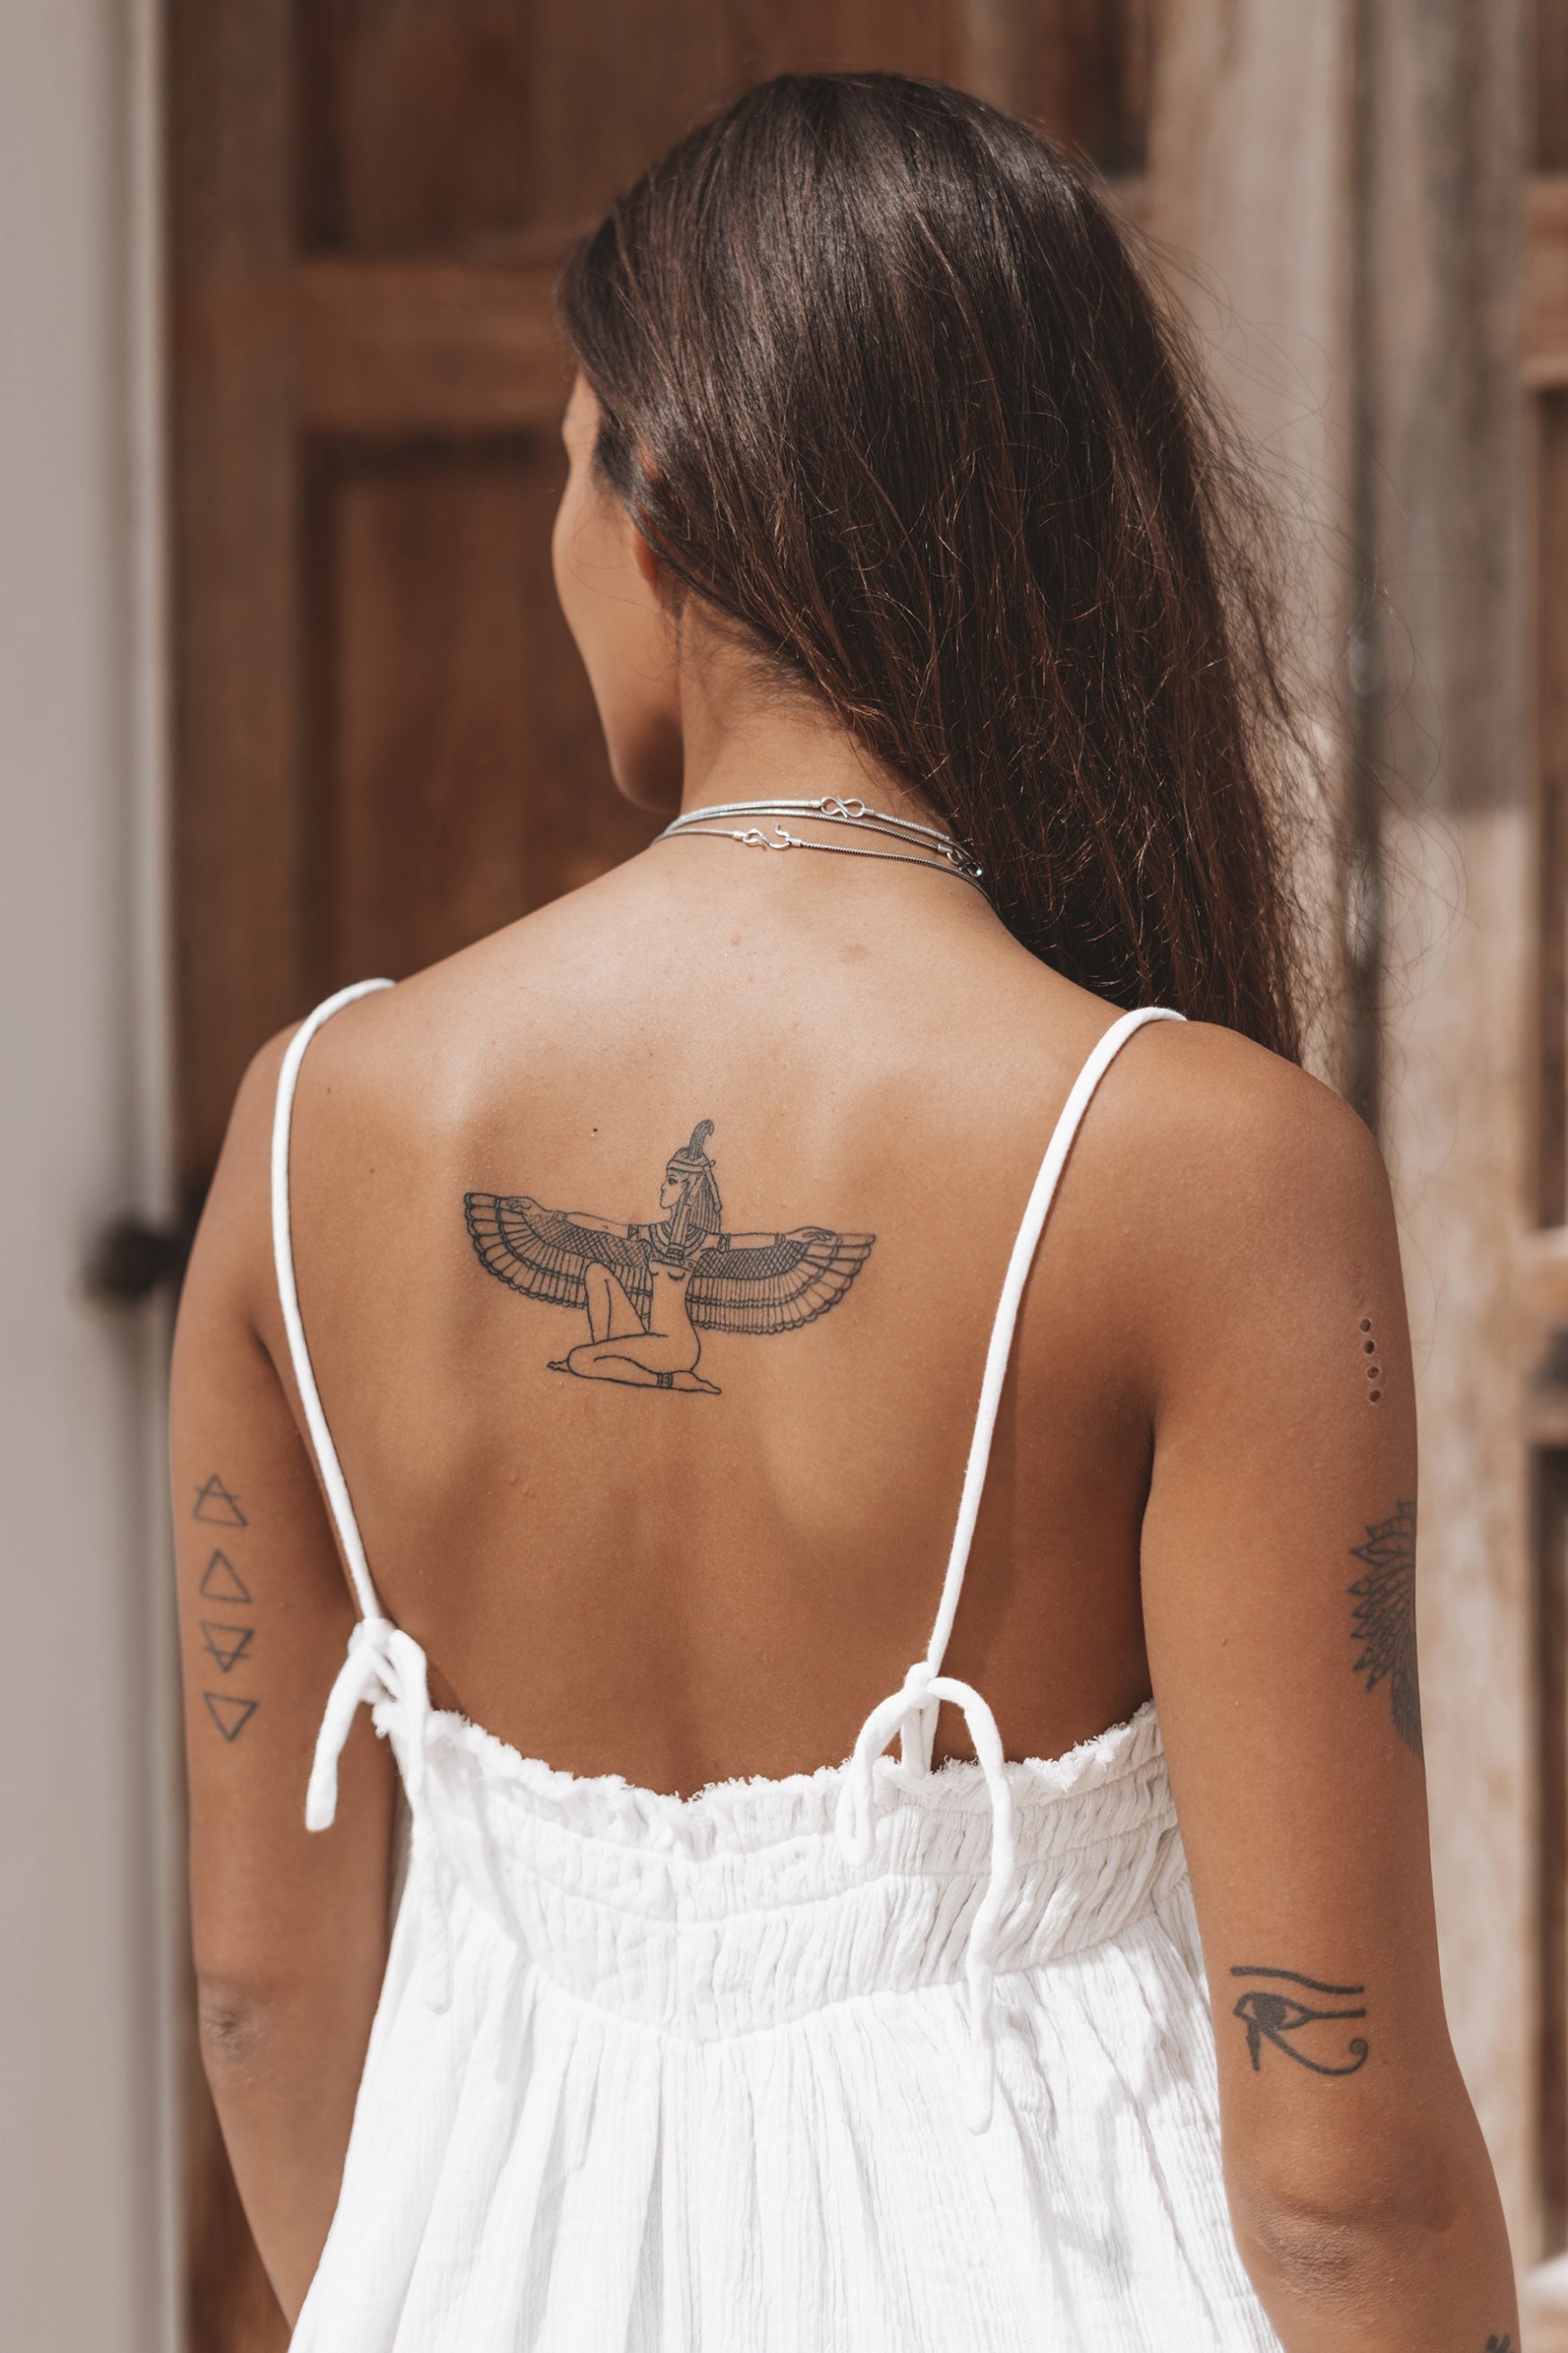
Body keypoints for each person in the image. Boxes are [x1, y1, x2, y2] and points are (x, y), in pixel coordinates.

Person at [169, 71, 1519, 2353]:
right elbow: (1338, 2163)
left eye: (568, 464)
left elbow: (263, 1991)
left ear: (659, 511)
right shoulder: (1192, 1162)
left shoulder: (313, 1128)